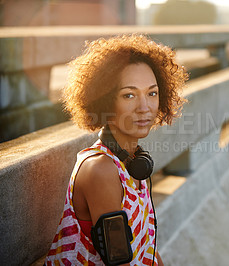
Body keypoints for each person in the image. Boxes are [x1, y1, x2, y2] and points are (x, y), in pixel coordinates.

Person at [45, 34, 187, 265]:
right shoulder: (101, 170)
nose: (144, 107)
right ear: (105, 101)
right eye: (129, 95)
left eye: (152, 93)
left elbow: (146, 250)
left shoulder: (133, 162)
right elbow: (120, 260)